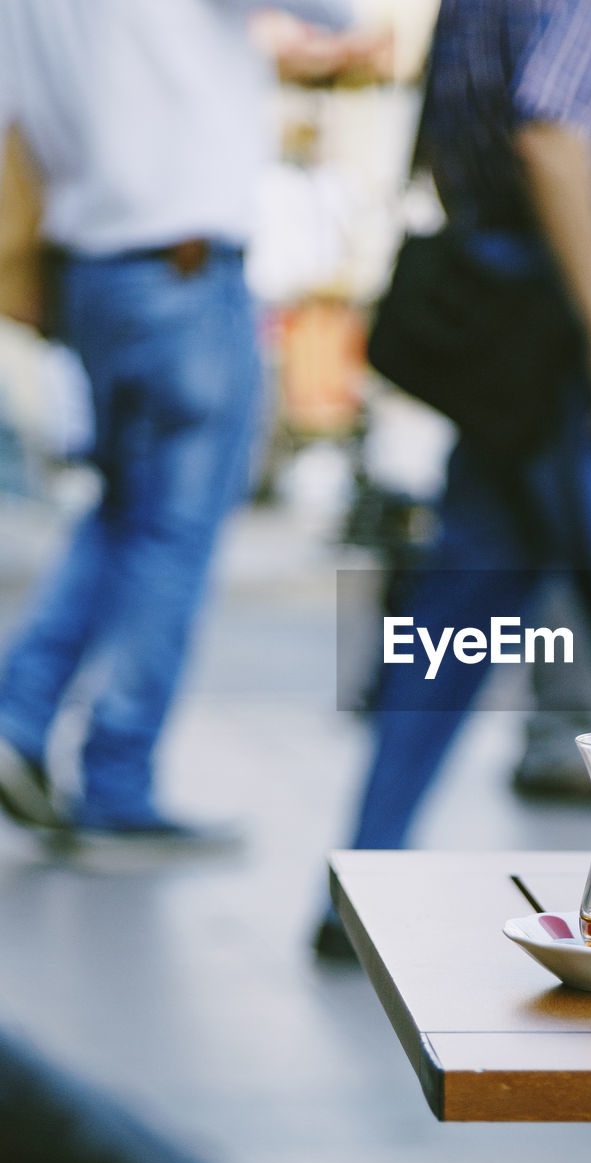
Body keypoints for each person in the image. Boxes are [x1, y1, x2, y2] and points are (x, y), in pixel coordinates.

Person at [316, 0, 591, 953]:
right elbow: (552, 131)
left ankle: (358, 886)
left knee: (451, 627)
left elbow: (445, 148)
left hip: (507, 315)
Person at [0, 0, 356, 842]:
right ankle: (118, 782)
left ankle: (17, 717)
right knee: (174, 532)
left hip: (89, 270)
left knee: (125, 511)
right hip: (185, 268)